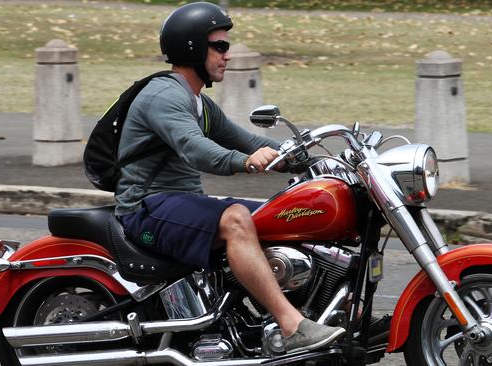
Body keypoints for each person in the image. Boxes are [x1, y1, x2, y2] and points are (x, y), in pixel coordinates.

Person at [114, 1, 345, 354]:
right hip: (147, 208)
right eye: (219, 46)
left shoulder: (199, 103)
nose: (228, 55)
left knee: (284, 214)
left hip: (180, 204)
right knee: (236, 219)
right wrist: (247, 162)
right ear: (191, 48)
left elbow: (248, 139)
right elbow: (196, 149)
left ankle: (312, 313)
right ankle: (291, 325)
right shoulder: (163, 96)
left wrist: (309, 160)